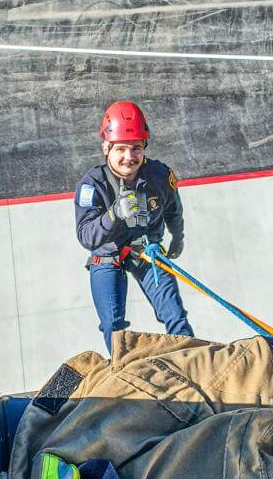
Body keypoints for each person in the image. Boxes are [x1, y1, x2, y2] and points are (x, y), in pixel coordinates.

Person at [74, 101, 194, 353]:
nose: (129, 157)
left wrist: (177, 238)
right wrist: (114, 214)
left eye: (136, 148)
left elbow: (173, 210)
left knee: (176, 317)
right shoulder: (92, 185)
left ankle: (192, 362)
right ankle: (125, 372)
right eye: (120, 149)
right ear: (106, 148)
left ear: (144, 148)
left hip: (147, 252)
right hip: (108, 257)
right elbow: (86, 235)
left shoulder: (159, 176)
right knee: (112, 327)